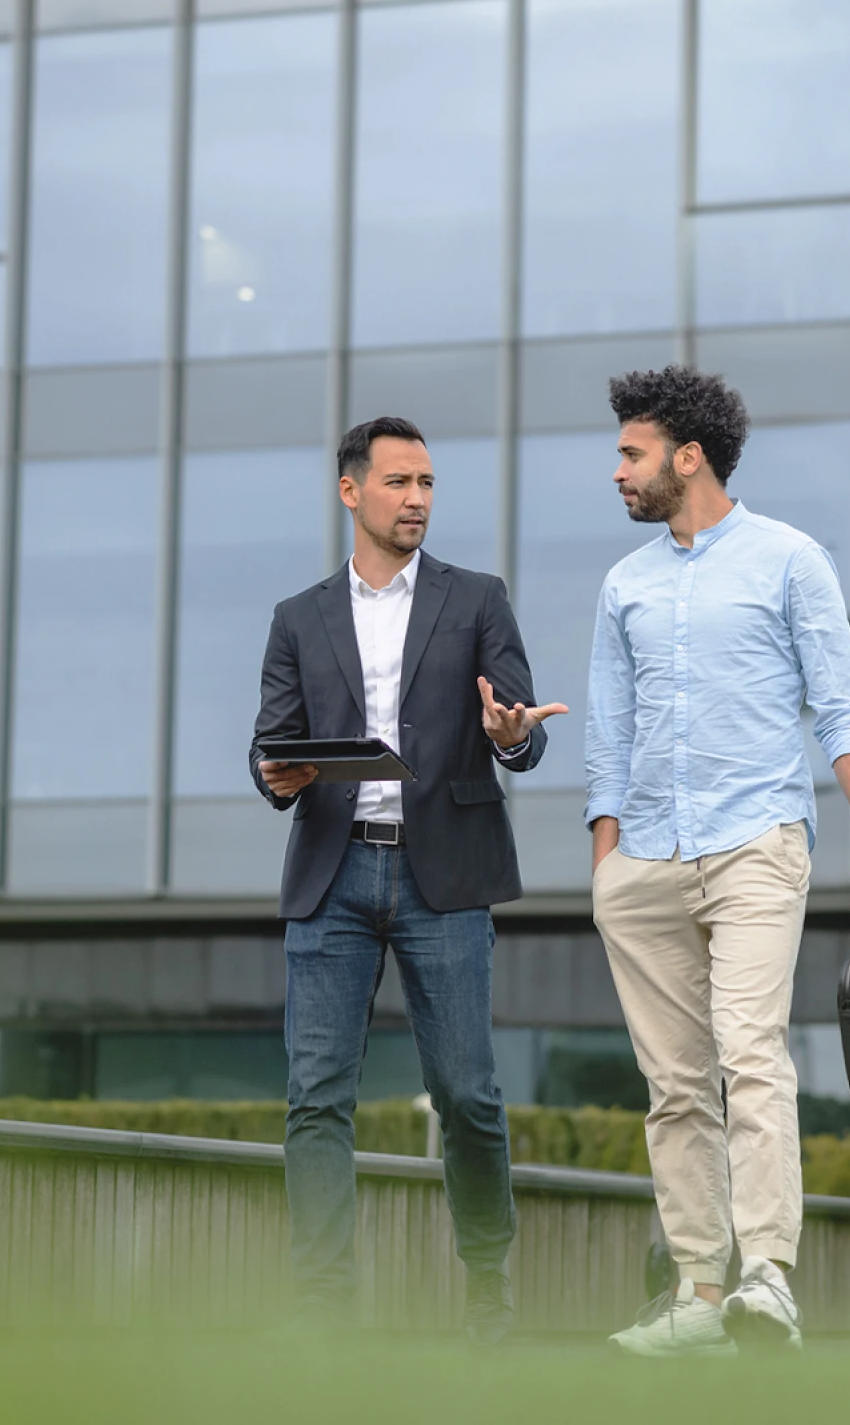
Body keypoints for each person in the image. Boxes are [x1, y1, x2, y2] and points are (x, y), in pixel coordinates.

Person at [584, 365, 850, 1357]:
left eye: (632, 454)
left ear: (689, 457)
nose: (619, 472)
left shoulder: (790, 562)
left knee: (751, 1059)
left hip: (756, 844)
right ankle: (700, 1294)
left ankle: (769, 1277)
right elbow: (609, 732)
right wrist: (608, 864)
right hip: (644, 864)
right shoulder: (624, 584)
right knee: (675, 1088)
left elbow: (840, 711)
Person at [249, 415, 567, 1345]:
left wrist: (514, 734)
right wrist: (276, 772)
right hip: (332, 875)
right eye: (398, 483)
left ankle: (486, 1287)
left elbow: (522, 728)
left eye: (427, 483)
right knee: (317, 1098)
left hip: (444, 877)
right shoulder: (296, 619)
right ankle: (322, 1308)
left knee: (467, 1093)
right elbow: (270, 748)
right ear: (351, 491)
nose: (417, 499)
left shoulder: (478, 600)